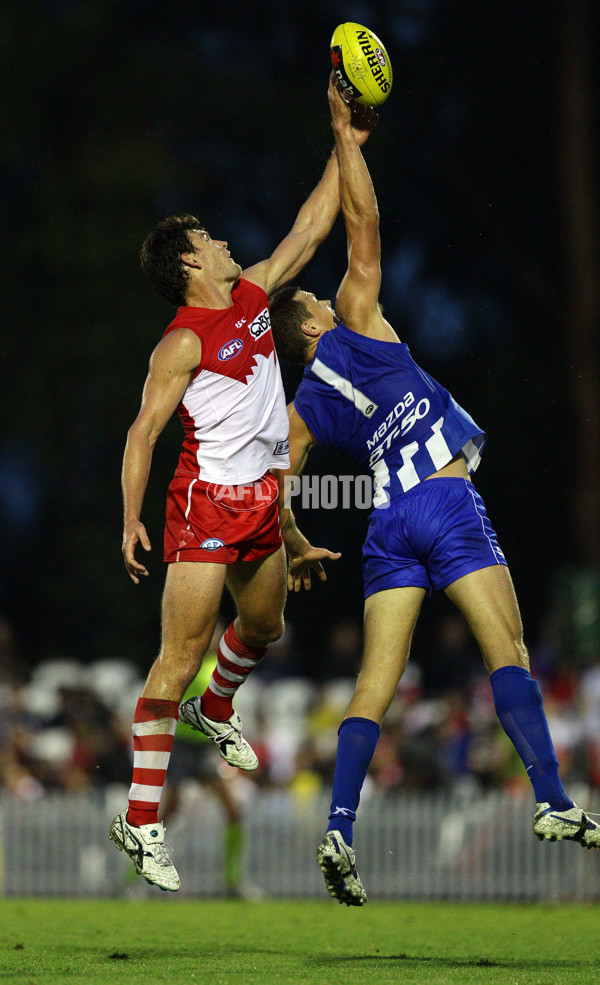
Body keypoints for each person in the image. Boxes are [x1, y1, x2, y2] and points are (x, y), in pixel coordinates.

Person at [269, 77, 600, 906]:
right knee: (508, 650)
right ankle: (552, 798)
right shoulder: (355, 318)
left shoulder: (302, 408)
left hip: (386, 524)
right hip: (443, 500)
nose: (322, 295)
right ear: (309, 324)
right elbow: (365, 225)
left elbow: (279, 486)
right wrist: (346, 136)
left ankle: (340, 826)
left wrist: (297, 541)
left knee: (372, 688)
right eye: (311, 299)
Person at [108, 87, 378, 892]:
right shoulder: (181, 343)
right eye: (210, 239)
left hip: (262, 501)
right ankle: (141, 820)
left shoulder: (256, 295)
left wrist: (346, 138)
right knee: (177, 657)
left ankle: (216, 708)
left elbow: (313, 226)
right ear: (190, 262)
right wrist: (130, 517)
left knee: (264, 626)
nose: (225, 242)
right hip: (204, 505)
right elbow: (142, 433)